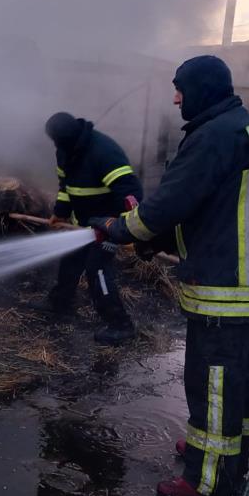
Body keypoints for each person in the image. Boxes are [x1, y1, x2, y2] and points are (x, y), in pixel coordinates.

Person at [90, 55, 249, 496]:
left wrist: (121, 230)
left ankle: (208, 480)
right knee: (232, 379)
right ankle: (224, 454)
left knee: (212, 381)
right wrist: (159, 241)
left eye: (180, 89)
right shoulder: (240, 126)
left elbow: (170, 203)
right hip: (245, 280)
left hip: (226, 285)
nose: (175, 98)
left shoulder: (213, 136)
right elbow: (209, 206)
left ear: (202, 89)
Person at [42, 112, 143, 345]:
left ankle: (120, 324)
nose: (57, 146)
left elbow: (130, 192)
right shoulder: (65, 150)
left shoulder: (103, 152)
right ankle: (60, 302)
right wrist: (61, 212)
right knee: (70, 257)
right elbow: (66, 186)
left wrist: (125, 227)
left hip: (109, 224)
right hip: (84, 223)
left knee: (96, 268)